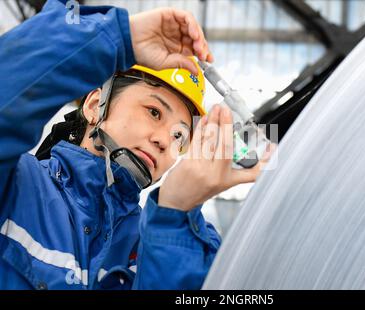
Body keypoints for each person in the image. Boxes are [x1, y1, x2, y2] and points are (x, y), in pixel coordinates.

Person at [0, 0, 271, 289]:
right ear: (94, 106)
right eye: (154, 112)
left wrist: (174, 217)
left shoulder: (171, 243)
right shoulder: (16, 189)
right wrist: (116, 37)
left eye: (180, 135)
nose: (165, 141)